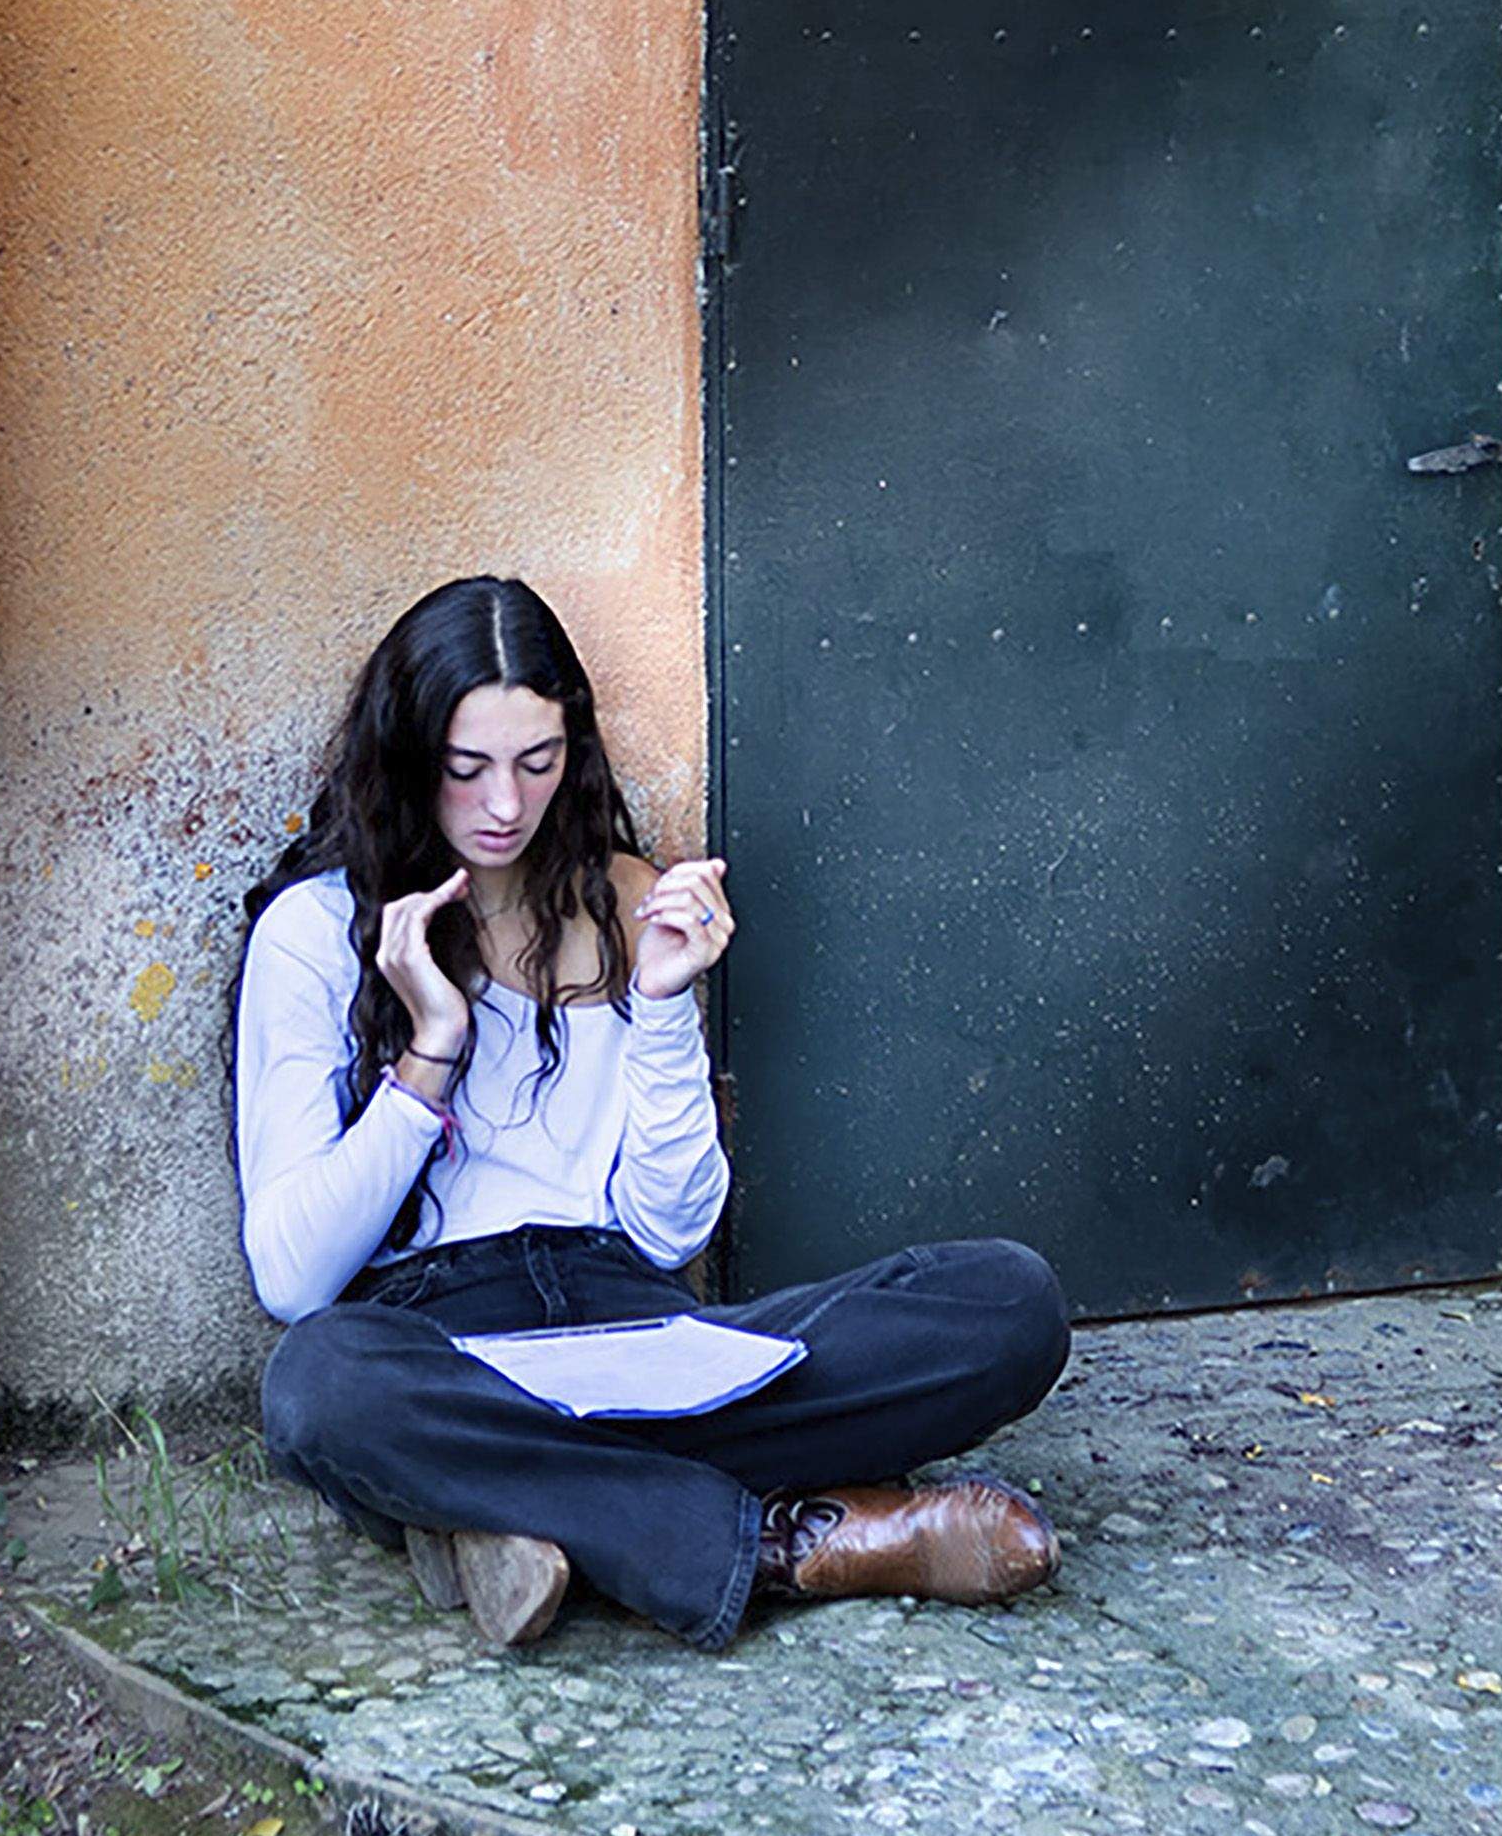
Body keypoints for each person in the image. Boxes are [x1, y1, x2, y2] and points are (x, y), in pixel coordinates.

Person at [235, 573, 1072, 1650]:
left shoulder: (624, 901)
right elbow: (291, 1278)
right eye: (465, 769)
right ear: (405, 758)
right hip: (444, 1345)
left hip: (634, 1324)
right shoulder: (315, 932)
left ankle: (518, 1509)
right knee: (319, 1391)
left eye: (536, 766)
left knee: (1008, 1302)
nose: (503, 806)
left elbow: (669, 1231)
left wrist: (664, 1002)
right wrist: (429, 1053)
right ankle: (790, 1538)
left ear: (571, 754)